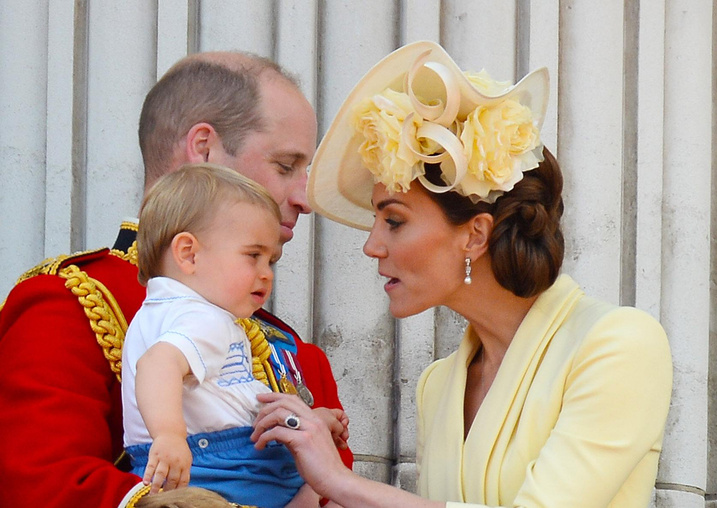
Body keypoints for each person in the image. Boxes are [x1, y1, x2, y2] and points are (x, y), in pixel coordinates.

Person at [250, 40, 673, 507]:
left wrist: (340, 481)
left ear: (475, 234)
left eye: (393, 221)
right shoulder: (438, 385)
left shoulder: (618, 343)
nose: (371, 246)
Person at [0, 51, 352, 508]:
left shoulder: (290, 348)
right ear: (203, 150)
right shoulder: (69, 304)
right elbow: (43, 486)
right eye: (286, 166)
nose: (306, 198)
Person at [124, 163, 338, 507]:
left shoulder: (161, 312)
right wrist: (169, 435)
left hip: (191, 460)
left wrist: (307, 420)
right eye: (253, 256)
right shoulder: (202, 316)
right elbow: (157, 364)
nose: (266, 274)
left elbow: (227, 398)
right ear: (188, 254)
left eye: (271, 261)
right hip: (219, 463)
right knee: (330, 485)